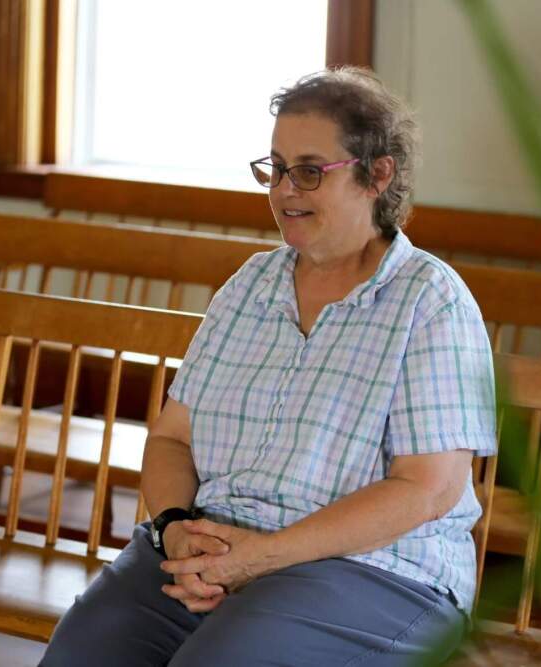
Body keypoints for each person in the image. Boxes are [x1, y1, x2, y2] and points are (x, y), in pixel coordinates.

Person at [40, 67, 497, 666]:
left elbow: (428, 490)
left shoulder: (429, 299)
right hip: (214, 549)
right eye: (276, 168)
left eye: (309, 171)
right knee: (83, 653)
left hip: (373, 572)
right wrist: (177, 528)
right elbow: (174, 438)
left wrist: (262, 556)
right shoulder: (250, 285)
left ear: (377, 174)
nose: (283, 191)